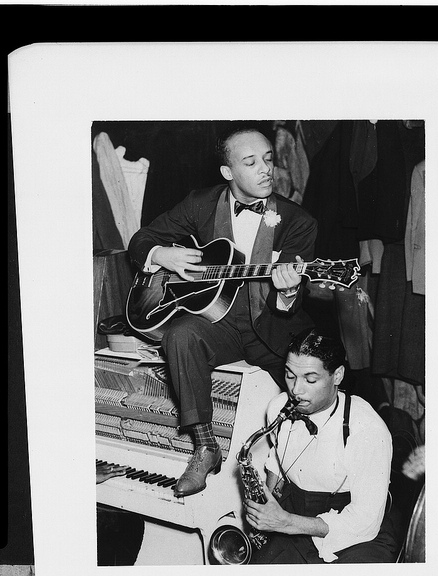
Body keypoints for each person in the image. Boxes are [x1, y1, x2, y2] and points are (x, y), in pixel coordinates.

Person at [128, 126, 317, 497]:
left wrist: (289, 289)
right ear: (228, 173)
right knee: (181, 334)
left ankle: (299, 477)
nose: (266, 170)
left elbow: (290, 299)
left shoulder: (298, 221)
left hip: (272, 327)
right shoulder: (201, 203)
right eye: (251, 162)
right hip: (220, 322)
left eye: (268, 159)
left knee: (312, 398)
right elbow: (142, 239)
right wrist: (163, 255)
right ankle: (204, 446)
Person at [244, 328, 400, 564]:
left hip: (355, 535)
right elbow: (276, 458)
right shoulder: (278, 408)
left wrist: (286, 522)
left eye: (310, 379)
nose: (296, 390)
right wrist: (267, 507)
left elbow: (364, 521)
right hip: (293, 515)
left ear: (337, 376)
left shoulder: (367, 430)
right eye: (289, 375)